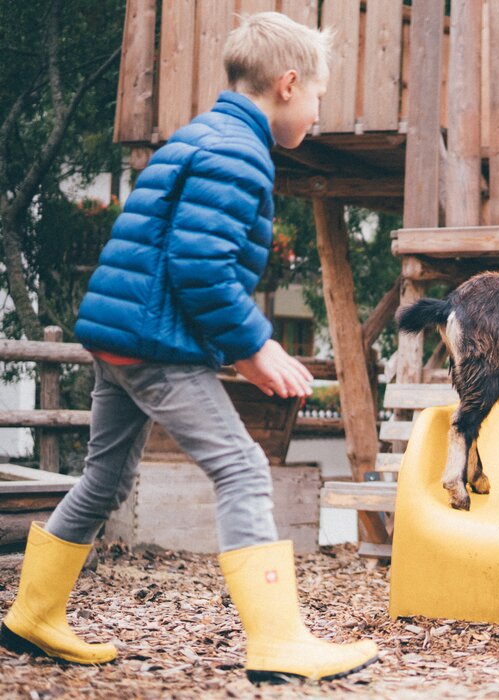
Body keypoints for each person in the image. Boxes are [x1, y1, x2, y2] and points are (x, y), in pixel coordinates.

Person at [0, 12, 378, 683]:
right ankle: (277, 641)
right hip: (157, 345)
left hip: (123, 337)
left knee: (104, 478)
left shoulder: (200, 135)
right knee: (244, 470)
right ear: (287, 84)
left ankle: (35, 613)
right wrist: (253, 346)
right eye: (318, 98)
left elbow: (170, 252)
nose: (318, 115)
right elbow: (199, 266)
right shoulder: (238, 151)